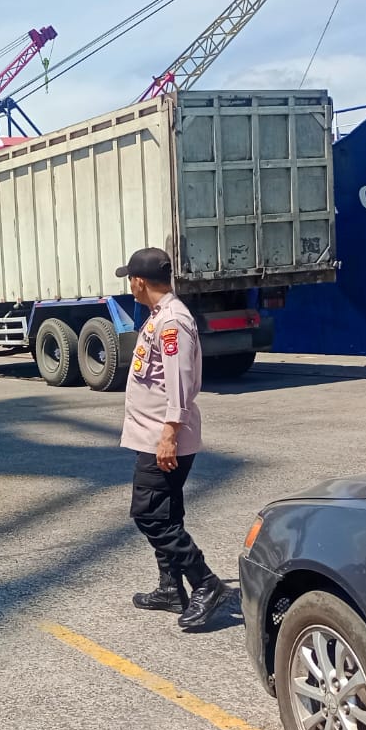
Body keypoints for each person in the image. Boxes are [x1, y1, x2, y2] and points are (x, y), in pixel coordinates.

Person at [116, 248, 229, 631]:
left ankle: (205, 583)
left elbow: (179, 381)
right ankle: (170, 587)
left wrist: (169, 435)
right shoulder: (160, 315)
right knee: (166, 512)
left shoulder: (172, 322)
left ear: (139, 281)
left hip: (163, 437)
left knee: (149, 514)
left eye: (130, 279)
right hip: (154, 434)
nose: (130, 285)